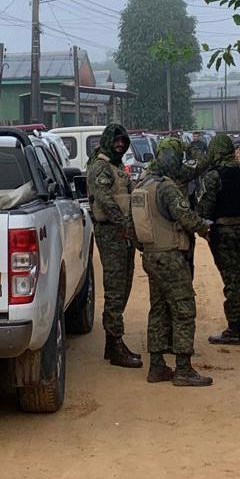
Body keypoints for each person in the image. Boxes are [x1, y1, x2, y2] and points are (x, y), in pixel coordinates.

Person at [132, 137, 214, 387]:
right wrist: (205, 228)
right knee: (183, 308)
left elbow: (131, 225)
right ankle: (183, 369)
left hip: (151, 255)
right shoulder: (167, 187)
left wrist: (146, 247)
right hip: (170, 255)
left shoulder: (142, 184)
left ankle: (157, 366)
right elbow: (186, 217)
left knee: (157, 309)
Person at [197, 134, 240, 344]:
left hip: (223, 231)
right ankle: (239, 325)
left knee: (231, 279)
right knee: (237, 275)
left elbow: (204, 209)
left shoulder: (213, 176)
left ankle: (235, 328)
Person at [86, 123, 142, 369]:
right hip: (111, 233)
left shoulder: (115, 166)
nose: (120, 144)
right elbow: (106, 201)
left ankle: (114, 344)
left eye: (123, 141)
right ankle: (115, 342)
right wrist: (123, 224)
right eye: (116, 141)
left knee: (124, 285)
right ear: (108, 141)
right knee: (116, 288)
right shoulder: (101, 167)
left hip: (122, 233)